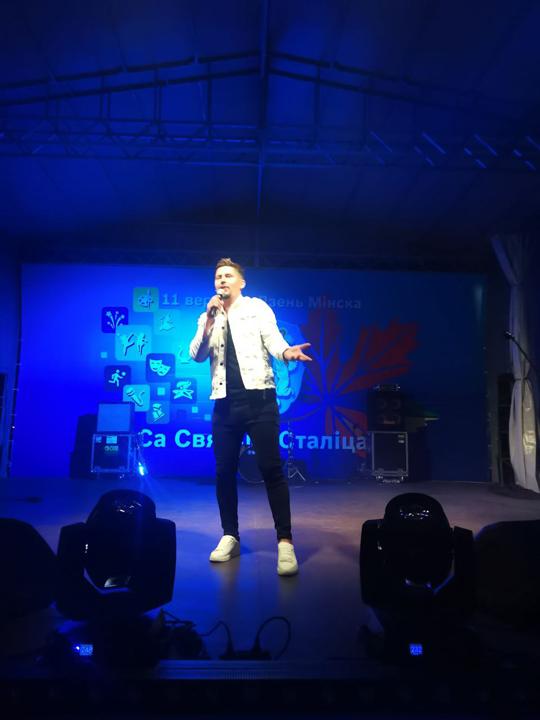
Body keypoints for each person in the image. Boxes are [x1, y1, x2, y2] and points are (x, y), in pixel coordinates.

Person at [189, 258, 312, 576]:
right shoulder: (208, 316)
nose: (222, 280)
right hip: (225, 404)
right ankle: (229, 535)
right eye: (218, 276)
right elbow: (197, 354)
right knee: (223, 472)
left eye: (228, 275)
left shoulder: (257, 308)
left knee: (271, 470)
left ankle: (285, 542)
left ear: (241, 282)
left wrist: (287, 352)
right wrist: (208, 322)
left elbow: (274, 341)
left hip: (260, 402)